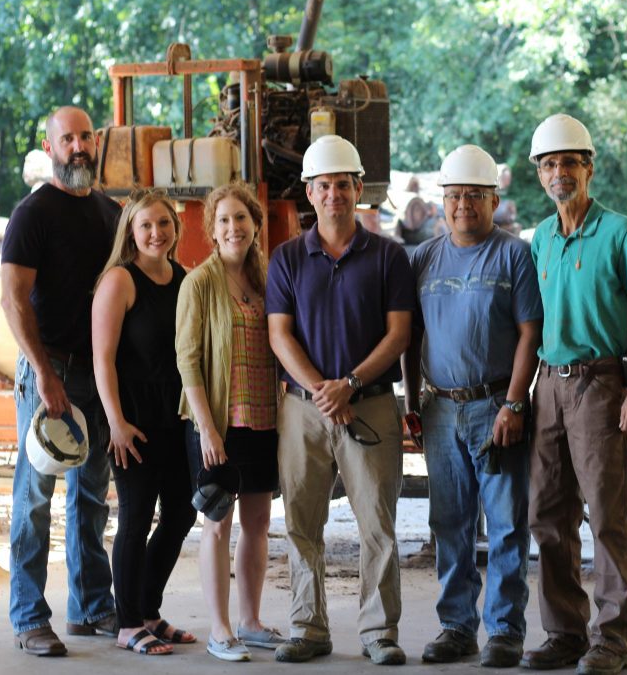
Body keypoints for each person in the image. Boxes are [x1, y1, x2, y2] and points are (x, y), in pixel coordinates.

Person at [266, 134, 414, 666]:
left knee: (378, 522)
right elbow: (280, 335)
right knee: (302, 523)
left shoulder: (388, 257)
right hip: (303, 410)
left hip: (370, 403)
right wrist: (323, 391)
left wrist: (348, 383)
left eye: (344, 185)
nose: (335, 194)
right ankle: (308, 626)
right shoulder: (285, 259)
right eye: (324, 185)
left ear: (359, 190)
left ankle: (379, 631)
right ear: (309, 192)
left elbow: (398, 335)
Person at [522, 114, 627, 675]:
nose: (560, 174)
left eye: (569, 164)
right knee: (547, 514)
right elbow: (532, 324)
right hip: (548, 385)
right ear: (540, 175)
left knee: (607, 514)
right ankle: (564, 633)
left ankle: (613, 637)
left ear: (588, 168)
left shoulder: (619, 231)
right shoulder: (541, 238)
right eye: (550, 165)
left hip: (603, 384)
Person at [402, 145, 542, 668]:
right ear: (442, 200)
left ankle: (504, 630)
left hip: (495, 407)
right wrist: (414, 402)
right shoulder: (424, 258)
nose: (463, 204)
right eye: (455, 195)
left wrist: (515, 403)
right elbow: (410, 337)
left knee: (506, 523)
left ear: (493, 199)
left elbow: (531, 332)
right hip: (439, 410)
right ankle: (456, 627)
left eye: (475, 196)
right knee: (450, 522)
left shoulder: (513, 255)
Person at [0, 106, 119, 656]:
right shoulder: (33, 214)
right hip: (50, 371)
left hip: (98, 371)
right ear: (49, 148)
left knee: (93, 497)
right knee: (35, 497)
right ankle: (28, 617)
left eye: (85, 136)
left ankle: (91, 606)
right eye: (66, 138)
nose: (78, 146)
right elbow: (13, 299)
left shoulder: (110, 212)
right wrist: (45, 374)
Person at [175, 183, 284, 663]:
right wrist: (206, 429)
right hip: (217, 420)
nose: (233, 227)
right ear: (211, 230)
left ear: (255, 225)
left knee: (258, 523)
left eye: (241, 218)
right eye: (223, 220)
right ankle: (220, 629)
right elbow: (187, 358)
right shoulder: (198, 282)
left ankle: (251, 620)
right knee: (217, 523)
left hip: (262, 417)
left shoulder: (267, 280)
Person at [92, 189, 197, 656]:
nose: (157, 233)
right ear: (131, 232)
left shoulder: (185, 278)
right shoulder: (119, 280)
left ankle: (149, 610)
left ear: (176, 228)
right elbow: (103, 360)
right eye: (146, 225)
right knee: (135, 518)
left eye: (164, 224)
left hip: (175, 417)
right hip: (132, 419)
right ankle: (128, 622)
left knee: (181, 512)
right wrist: (115, 421)